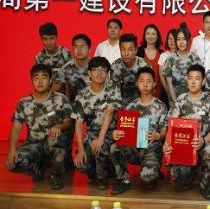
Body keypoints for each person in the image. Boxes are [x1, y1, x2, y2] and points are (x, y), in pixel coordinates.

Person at [6, 65, 72, 190]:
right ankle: (38, 169)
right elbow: (16, 128)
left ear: (50, 81)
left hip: (53, 141)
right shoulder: (24, 103)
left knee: (55, 142)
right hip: (34, 143)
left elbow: (69, 122)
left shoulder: (60, 99)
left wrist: (59, 126)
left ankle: (57, 175)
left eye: (44, 77)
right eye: (36, 78)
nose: (40, 81)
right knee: (14, 162)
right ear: (31, 81)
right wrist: (11, 150)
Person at [163, 65, 210, 200]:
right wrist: (166, 143)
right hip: (184, 146)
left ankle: (204, 184)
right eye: (190, 78)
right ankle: (190, 174)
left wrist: (203, 141)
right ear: (187, 80)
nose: (193, 82)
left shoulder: (209, 102)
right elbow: (171, 126)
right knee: (178, 176)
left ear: (203, 81)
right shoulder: (180, 100)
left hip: (203, 144)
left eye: (197, 78)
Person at [110, 67, 168, 195]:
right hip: (134, 149)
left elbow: (165, 132)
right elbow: (123, 129)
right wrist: (116, 134)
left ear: (154, 84)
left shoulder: (161, 106)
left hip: (151, 149)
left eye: (148, 81)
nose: (145, 85)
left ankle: (152, 171)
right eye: (142, 81)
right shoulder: (131, 106)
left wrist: (158, 136)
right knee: (115, 148)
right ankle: (124, 181)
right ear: (137, 83)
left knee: (148, 178)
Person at [72, 57, 122, 190]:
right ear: (89, 73)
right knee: (81, 164)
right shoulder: (82, 96)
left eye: (103, 70)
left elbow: (109, 113)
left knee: (100, 149)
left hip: (111, 133)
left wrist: (100, 139)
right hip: (91, 134)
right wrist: (81, 149)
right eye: (95, 70)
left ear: (107, 74)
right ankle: (100, 170)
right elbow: (78, 123)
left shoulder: (113, 89)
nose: (99, 73)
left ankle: (102, 178)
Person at [162, 28, 201, 106]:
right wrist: (175, 100)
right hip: (174, 99)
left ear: (188, 40)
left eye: (184, 39)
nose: (181, 42)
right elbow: (169, 82)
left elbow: (198, 81)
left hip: (192, 100)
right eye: (178, 39)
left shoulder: (195, 58)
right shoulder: (171, 58)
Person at [110, 34, 150, 107]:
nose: (126, 53)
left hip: (141, 103)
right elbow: (115, 93)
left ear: (136, 50)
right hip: (122, 104)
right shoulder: (115, 67)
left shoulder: (144, 65)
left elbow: (149, 91)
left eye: (130, 49)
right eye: (123, 49)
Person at [52, 34, 92, 101]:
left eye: (83, 46)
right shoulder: (66, 68)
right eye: (76, 46)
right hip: (74, 105)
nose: (79, 50)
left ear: (89, 49)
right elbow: (53, 91)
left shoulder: (96, 67)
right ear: (72, 49)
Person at [35, 23, 73, 91]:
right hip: (47, 95)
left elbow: (69, 79)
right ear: (41, 39)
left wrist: (68, 97)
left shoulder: (66, 54)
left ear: (57, 37)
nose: (48, 42)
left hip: (65, 94)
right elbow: (38, 80)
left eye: (51, 38)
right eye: (45, 39)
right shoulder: (39, 58)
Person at [137, 24, 164, 100]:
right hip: (142, 90)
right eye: (148, 34)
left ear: (157, 36)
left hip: (159, 91)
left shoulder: (162, 53)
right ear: (145, 36)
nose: (150, 36)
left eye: (153, 34)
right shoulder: (138, 52)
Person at [158, 29, 178, 107]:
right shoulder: (163, 55)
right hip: (167, 89)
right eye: (169, 38)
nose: (172, 41)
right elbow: (161, 76)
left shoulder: (181, 54)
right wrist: (168, 90)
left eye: (174, 38)